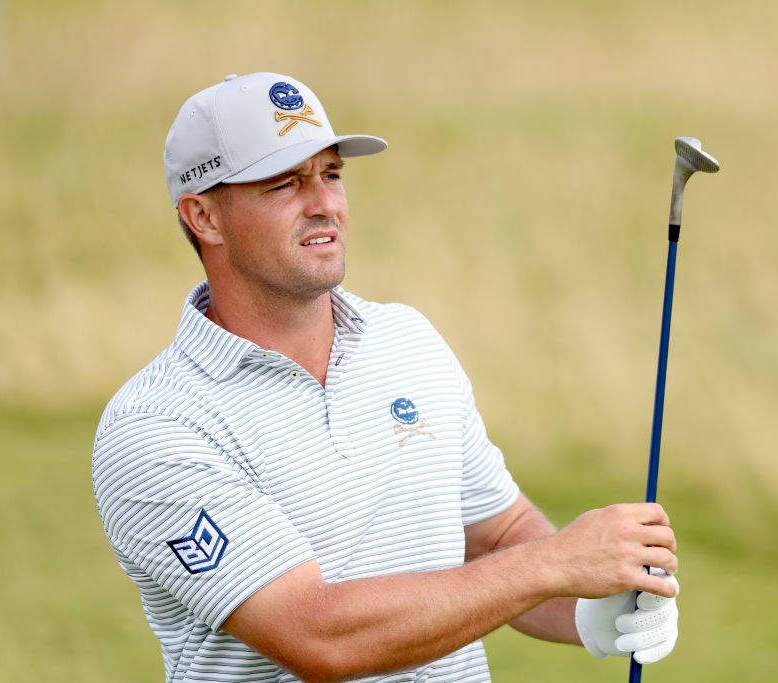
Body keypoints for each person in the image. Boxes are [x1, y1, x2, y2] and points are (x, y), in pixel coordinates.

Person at [92, 72, 681, 683]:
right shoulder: (155, 426)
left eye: (331, 175)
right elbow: (315, 636)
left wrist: (589, 609)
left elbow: (496, 536)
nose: (323, 203)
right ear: (204, 217)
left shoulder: (407, 341)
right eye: (284, 183)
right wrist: (554, 565)